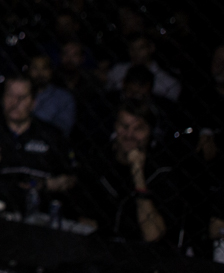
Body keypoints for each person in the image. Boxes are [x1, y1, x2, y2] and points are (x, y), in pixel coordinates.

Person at [0, 77, 76, 216]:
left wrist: (45, 184)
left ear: (33, 103)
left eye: (22, 97)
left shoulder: (52, 135)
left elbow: (71, 179)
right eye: (10, 96)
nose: (15, 102)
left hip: (40, 212)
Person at [73, 100, 186, 243]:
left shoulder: (162, 171)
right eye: (124, 127)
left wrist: (138, 174)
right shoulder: (97, 160)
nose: (129, 135)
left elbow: (153, 235)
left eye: (138, 129)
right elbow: (81, 220)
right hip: (96, 245)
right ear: (115, 126)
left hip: (142, 252)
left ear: (150, 132)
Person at [106, 34, 181, 102]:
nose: (136, 53)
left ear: (151, 48)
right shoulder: (117, 71)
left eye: (141, 48)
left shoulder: (169, 81)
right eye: (132, 48)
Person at [30, 53, 76, 138]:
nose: (40, 73)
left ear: (51, 71)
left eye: (44, 68)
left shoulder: (64, 97)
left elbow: (63, 129)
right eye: (35, 68)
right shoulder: (20, 94)